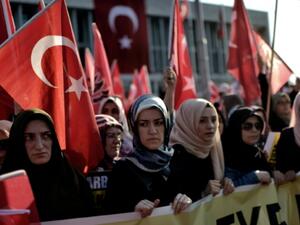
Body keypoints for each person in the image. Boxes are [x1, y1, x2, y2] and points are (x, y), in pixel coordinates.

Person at [0, 109, 95, 221]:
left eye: (46, 136)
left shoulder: (75, 182)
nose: (39, 146)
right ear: (18, 142)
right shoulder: (4, 186)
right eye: (29, 138)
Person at [106, 95, 189, 217]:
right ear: (135, 128)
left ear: (166, 125)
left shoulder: (179, 161)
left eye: (158, 123)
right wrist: (132, 210)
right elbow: (108, 214)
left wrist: (189, 201)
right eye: (144, 124)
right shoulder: (122, 169)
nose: (152, 131)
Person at [167, 98, 234, 204]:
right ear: (187, 123)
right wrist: (203, 193)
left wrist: (226, 182)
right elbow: (171, 201)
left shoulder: (214, 148)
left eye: (213, 120)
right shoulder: (175, 156)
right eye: (202, 121)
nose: (211, 126)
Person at [222, 107, 272, 187]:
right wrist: (255, 176)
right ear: (236, 128)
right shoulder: (228, 155)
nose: (254, 130)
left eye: (258, 126)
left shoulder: (258, 153)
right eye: (247, 126)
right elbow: (228, 190)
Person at [274, 92, 300, 185]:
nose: (285, 105)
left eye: (287, 102)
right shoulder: (287, 135)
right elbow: (280, 166)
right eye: (281, 103)